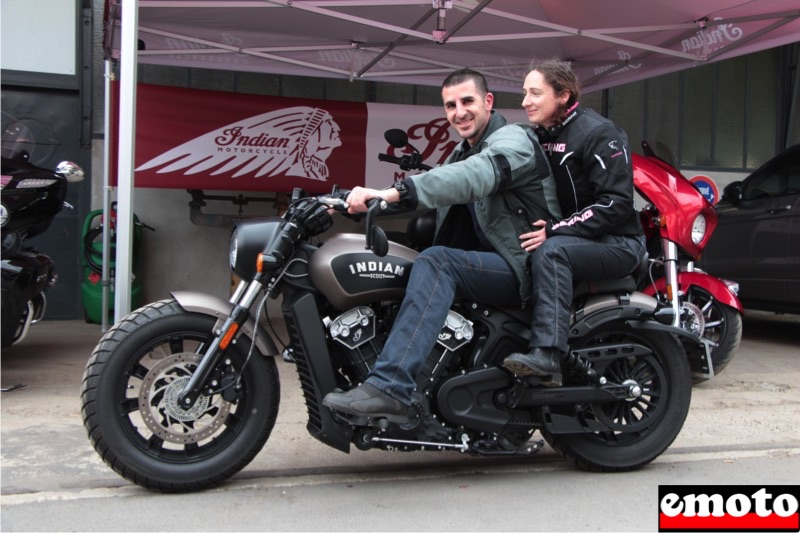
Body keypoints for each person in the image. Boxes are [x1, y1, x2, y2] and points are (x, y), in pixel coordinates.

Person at [322, 68, 561, 423]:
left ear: (488, 102)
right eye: (450, 105)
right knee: (410, 257)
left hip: (523, 265)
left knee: (437, 262)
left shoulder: (513, 141)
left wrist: (396, 191)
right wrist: (355, 203)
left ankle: (391, 386)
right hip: (492, 262)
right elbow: (427, 191)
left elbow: (473, 176)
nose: (459, 112)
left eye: (467, 101)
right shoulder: (463, 150)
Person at [502, 58, 646, 385]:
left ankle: (548, 352)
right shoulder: (543, 133)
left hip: (618, 244)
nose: (525, 101)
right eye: (525, 92)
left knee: (551, 252)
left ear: (563, 95)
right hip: (577, 238)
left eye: (535, 93)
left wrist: (555, 230)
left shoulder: (599, 133)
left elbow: (616, 204)